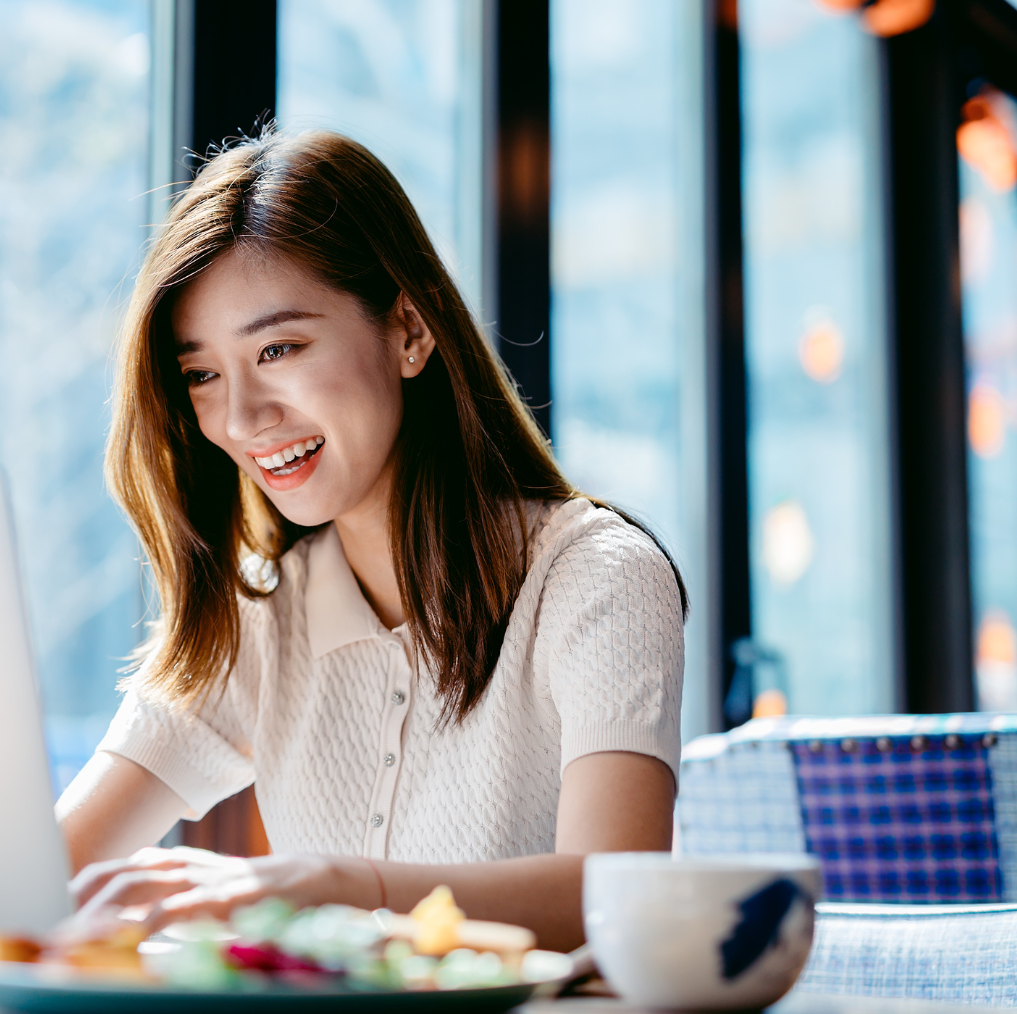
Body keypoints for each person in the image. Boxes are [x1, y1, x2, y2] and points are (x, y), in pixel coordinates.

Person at [54, 129, 685, 953]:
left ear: (411, 330)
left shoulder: (596, 578)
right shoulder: (259, 617)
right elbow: (43, 876)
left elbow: (615, 893)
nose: (240, 418)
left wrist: (337, 888)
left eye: (278, 349)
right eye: (202, 374)